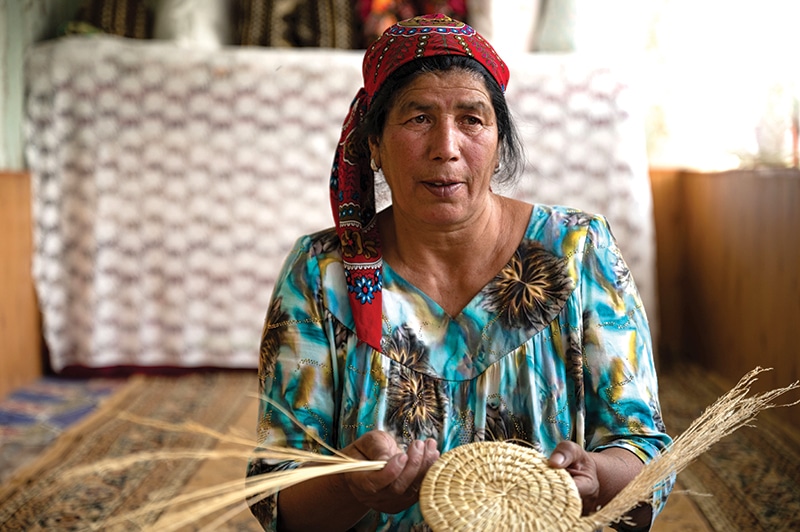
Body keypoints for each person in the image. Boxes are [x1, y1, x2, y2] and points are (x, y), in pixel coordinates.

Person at [247, 13, 672, 532]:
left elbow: (644, 446)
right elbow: (277, 489)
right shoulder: (320, 274)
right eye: (417, 118)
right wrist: (348, 485)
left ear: (498, 144)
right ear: (374, 145)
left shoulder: (578, 252)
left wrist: (599, 476)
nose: (446, 147)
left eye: (472, 119)